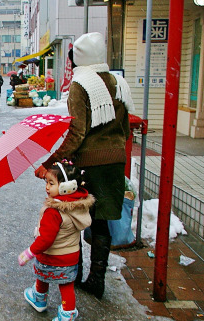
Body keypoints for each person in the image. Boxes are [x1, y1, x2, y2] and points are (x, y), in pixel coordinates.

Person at [34, 32, 134, 300]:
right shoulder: (118, 82)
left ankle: (74, 273)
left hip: (88, 164)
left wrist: (50, 161)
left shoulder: (81, 84)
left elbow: (77, 132)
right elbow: (124, 129)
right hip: (114, 163)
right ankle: (97, 280)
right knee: (101, 223)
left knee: (75, 216)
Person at [19, 161, 94, 321]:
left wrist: (29, 252)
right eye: (47, 182)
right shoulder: (79, 205)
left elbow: (46, 240)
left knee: (42, 274)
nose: (46, 187)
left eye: (51, 183)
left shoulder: (53, 212)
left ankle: (39, 298)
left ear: (67, 187)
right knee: (66, 285)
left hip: (51, 255)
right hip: (70, 256)